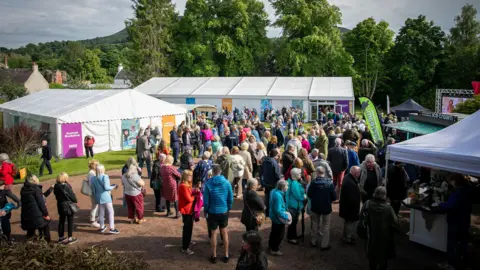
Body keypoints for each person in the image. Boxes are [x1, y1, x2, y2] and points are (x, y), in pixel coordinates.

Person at [438, 174, 473, 270]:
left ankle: (451, 263)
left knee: (452, 242)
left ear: (455, 181)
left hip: (455, 220)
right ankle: (464, 259)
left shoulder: (458, 192)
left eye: (451, 182)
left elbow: (450, 205)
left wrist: (440, 205)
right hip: (465, 219)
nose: (451, 184)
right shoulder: (469, 189)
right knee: (463, 240)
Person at [362, 186, 399, 270]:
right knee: (383, 258)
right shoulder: (388, 208)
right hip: (384, 237)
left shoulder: (367, 204)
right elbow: (396, 223)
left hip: (371, 235)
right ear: (384, 195)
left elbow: (362, 219)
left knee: (372, 258)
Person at [203, 165, 234, 264]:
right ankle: (226, 255)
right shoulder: (227, 182)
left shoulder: (208, 183)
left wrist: (206, 211)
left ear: (213, 172)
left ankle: (215, 255)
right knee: (224, 232)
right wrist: (228, 208)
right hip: (223, 211)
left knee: (213, 233)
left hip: (212, 212)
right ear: (220, 171)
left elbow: (206, 201)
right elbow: (230, 198)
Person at [308, 166, 337, 250]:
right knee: (326, 226)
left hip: (315, 207)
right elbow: (334, 197)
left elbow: (309, 195)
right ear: (324, 173)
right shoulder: (329, 183)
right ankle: (324, 245)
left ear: (317, 173)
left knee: (314, 224)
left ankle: (313, 241)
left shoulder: (313, 183)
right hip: (326, 207)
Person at [20, 175, 51, 242]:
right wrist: (46, 214)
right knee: (45, 227)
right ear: (33, 181)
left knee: (30, 230)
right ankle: (48, 243)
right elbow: (41, 203)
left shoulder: (23, 189)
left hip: (26, 215)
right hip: (37, 215)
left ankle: (30, 243)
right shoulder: (36, 189)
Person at [91, 165, 119, 234]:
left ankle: (102, 227)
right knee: (110, 212)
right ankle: (112, 228)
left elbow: (93, 190)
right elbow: (106, 188)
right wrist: (113, 186)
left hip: (98, 197)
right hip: (106, 197)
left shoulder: (93, 178)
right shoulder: (105, 176)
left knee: (101, 212)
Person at [53, 172, 78, 244]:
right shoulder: (67, 186)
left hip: (60, 205)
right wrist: (75, 200)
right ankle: (70, 238)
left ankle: (61, 238)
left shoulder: (56, 186)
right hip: (68, 205)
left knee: (61, 221)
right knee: (70, 221)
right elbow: (73, 197)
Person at [339, 166, 361, 245]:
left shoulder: (347, 177)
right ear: (355, 174)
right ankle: (348, 238)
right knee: (350, 223)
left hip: (346, 207)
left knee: (347, 222)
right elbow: (352, 199)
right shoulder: (351, 183)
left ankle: (345, 237)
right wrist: (356, 209)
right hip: (350, 208)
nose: (360, 174)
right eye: (359, 173)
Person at [268, 180, 290, 256]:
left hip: (273, 216)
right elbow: (278, 210)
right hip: (278, 218)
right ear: (283, 187)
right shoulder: (278, 196)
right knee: (279, 234)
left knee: (273, 232)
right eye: (287, 186)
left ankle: (271, 246)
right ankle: (274, 249)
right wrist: (286, 216)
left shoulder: (273, 191)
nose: (288, 187)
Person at [178, 170, 196, 255]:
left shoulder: (188, 185)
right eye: (189, 176)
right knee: (187, 228)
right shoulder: (183, 186)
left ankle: (188, 241)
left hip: (190, 209)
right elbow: (189, 199)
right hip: (186, 210)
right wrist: (195, 196)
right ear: (185, 177)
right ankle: (185, 247)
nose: (191, 177)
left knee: (189, 227)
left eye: (191, 175)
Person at [286, 168, 305, 245]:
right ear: (296, 175)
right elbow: (298, 195)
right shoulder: (294, 183)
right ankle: (291, 238)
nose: (301, 175)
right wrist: (304, 197)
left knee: (293, 222)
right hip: (294, 205)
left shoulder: (291, 181)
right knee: (293, 222)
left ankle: (292, 236)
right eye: (299, 174)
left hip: (292, 204)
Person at [261, 149, 281, 217]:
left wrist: (262, 182)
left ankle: (266, 212)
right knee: (273, 197)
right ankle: (272, 212)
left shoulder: (264, 161)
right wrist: (279, 180)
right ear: (275, 156)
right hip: (273, 183)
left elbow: (261, 172)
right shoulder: (274, 163)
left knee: (267, 197)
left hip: (266, 182)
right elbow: (277, 174)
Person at [0, 179, 20, 244]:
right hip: (2, 212)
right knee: (3, 227)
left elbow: (12, 196)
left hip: (4, 211)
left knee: (6, 227)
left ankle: (8, 239)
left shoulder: (3, 191)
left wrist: (18, 202)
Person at [86, 159, 100, 228]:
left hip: (94, 191)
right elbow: (92, 184)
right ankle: (92, 221)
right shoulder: (91, 173)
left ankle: (95, 218)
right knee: (94, 206)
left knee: (96, 205)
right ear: (93, 166)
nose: (98, 166)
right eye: (96, 165)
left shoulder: (92, 172)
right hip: (93, 191)